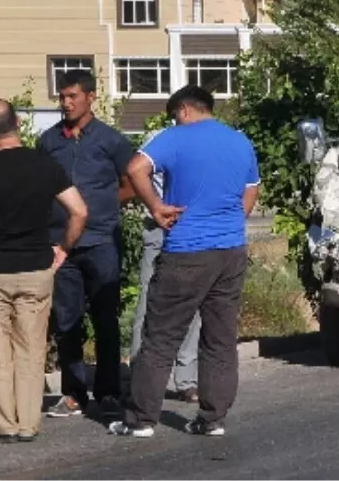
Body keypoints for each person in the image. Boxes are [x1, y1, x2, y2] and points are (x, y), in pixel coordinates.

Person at [111, 85, 260, 439]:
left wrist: (156, 207)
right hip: (230, 252)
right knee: (220, 339)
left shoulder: (174, 137)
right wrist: (229, 222)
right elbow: (252, 188)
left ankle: (141, 419)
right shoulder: (240, 141)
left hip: (187, 251)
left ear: (183, 110)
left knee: (161, 336)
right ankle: (212, 419)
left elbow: (135, 169)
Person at [0, 100, 89, 443]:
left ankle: (3, 424)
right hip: (36, 268)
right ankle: (28, 423)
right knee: (30, 348)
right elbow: (79, 212)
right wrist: (63, 250)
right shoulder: (46, 166)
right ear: (17, 123)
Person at [38, 70, 136, 418]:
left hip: (100, 240)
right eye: (62, 97)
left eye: (73, 96)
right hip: (61, 244)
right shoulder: (49, 141)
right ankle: (74, 392)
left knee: (105, 317)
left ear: (91, 97)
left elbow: (133, 182)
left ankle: (108, 391)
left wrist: (103, 206)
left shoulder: (111, 140)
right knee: (66, 319)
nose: (66, 103)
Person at [129, 123, 200, 404]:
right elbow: (135, 173)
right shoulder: (159, 139)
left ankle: (187, 379)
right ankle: (138, 374)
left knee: (193, 305)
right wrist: (155, 206)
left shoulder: (208, 142)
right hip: (161, 225)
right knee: (149, 300)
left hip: (193, 227)